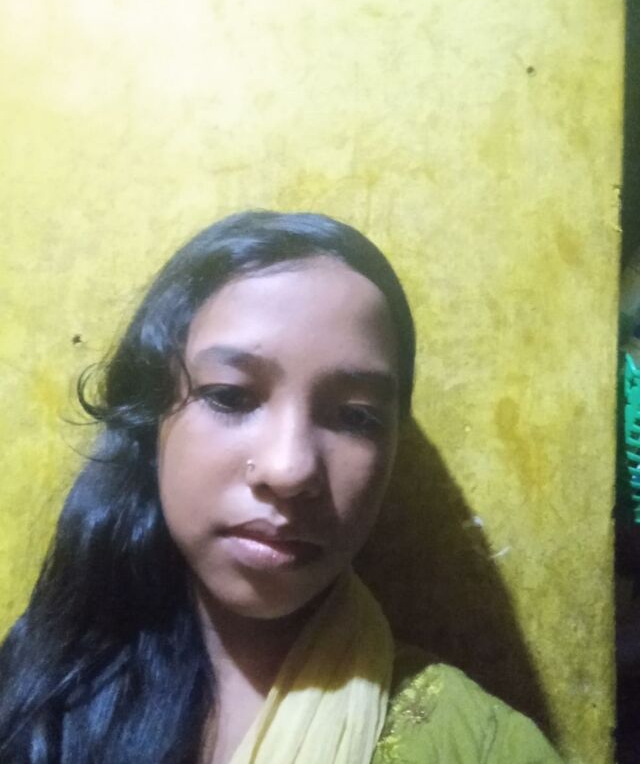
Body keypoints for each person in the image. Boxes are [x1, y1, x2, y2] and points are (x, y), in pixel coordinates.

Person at [0, 210, 561, 763]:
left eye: (356, 416)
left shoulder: (478, 746)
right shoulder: (35, 693)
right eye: (230, 396)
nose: (291, 471)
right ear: (152, 419)